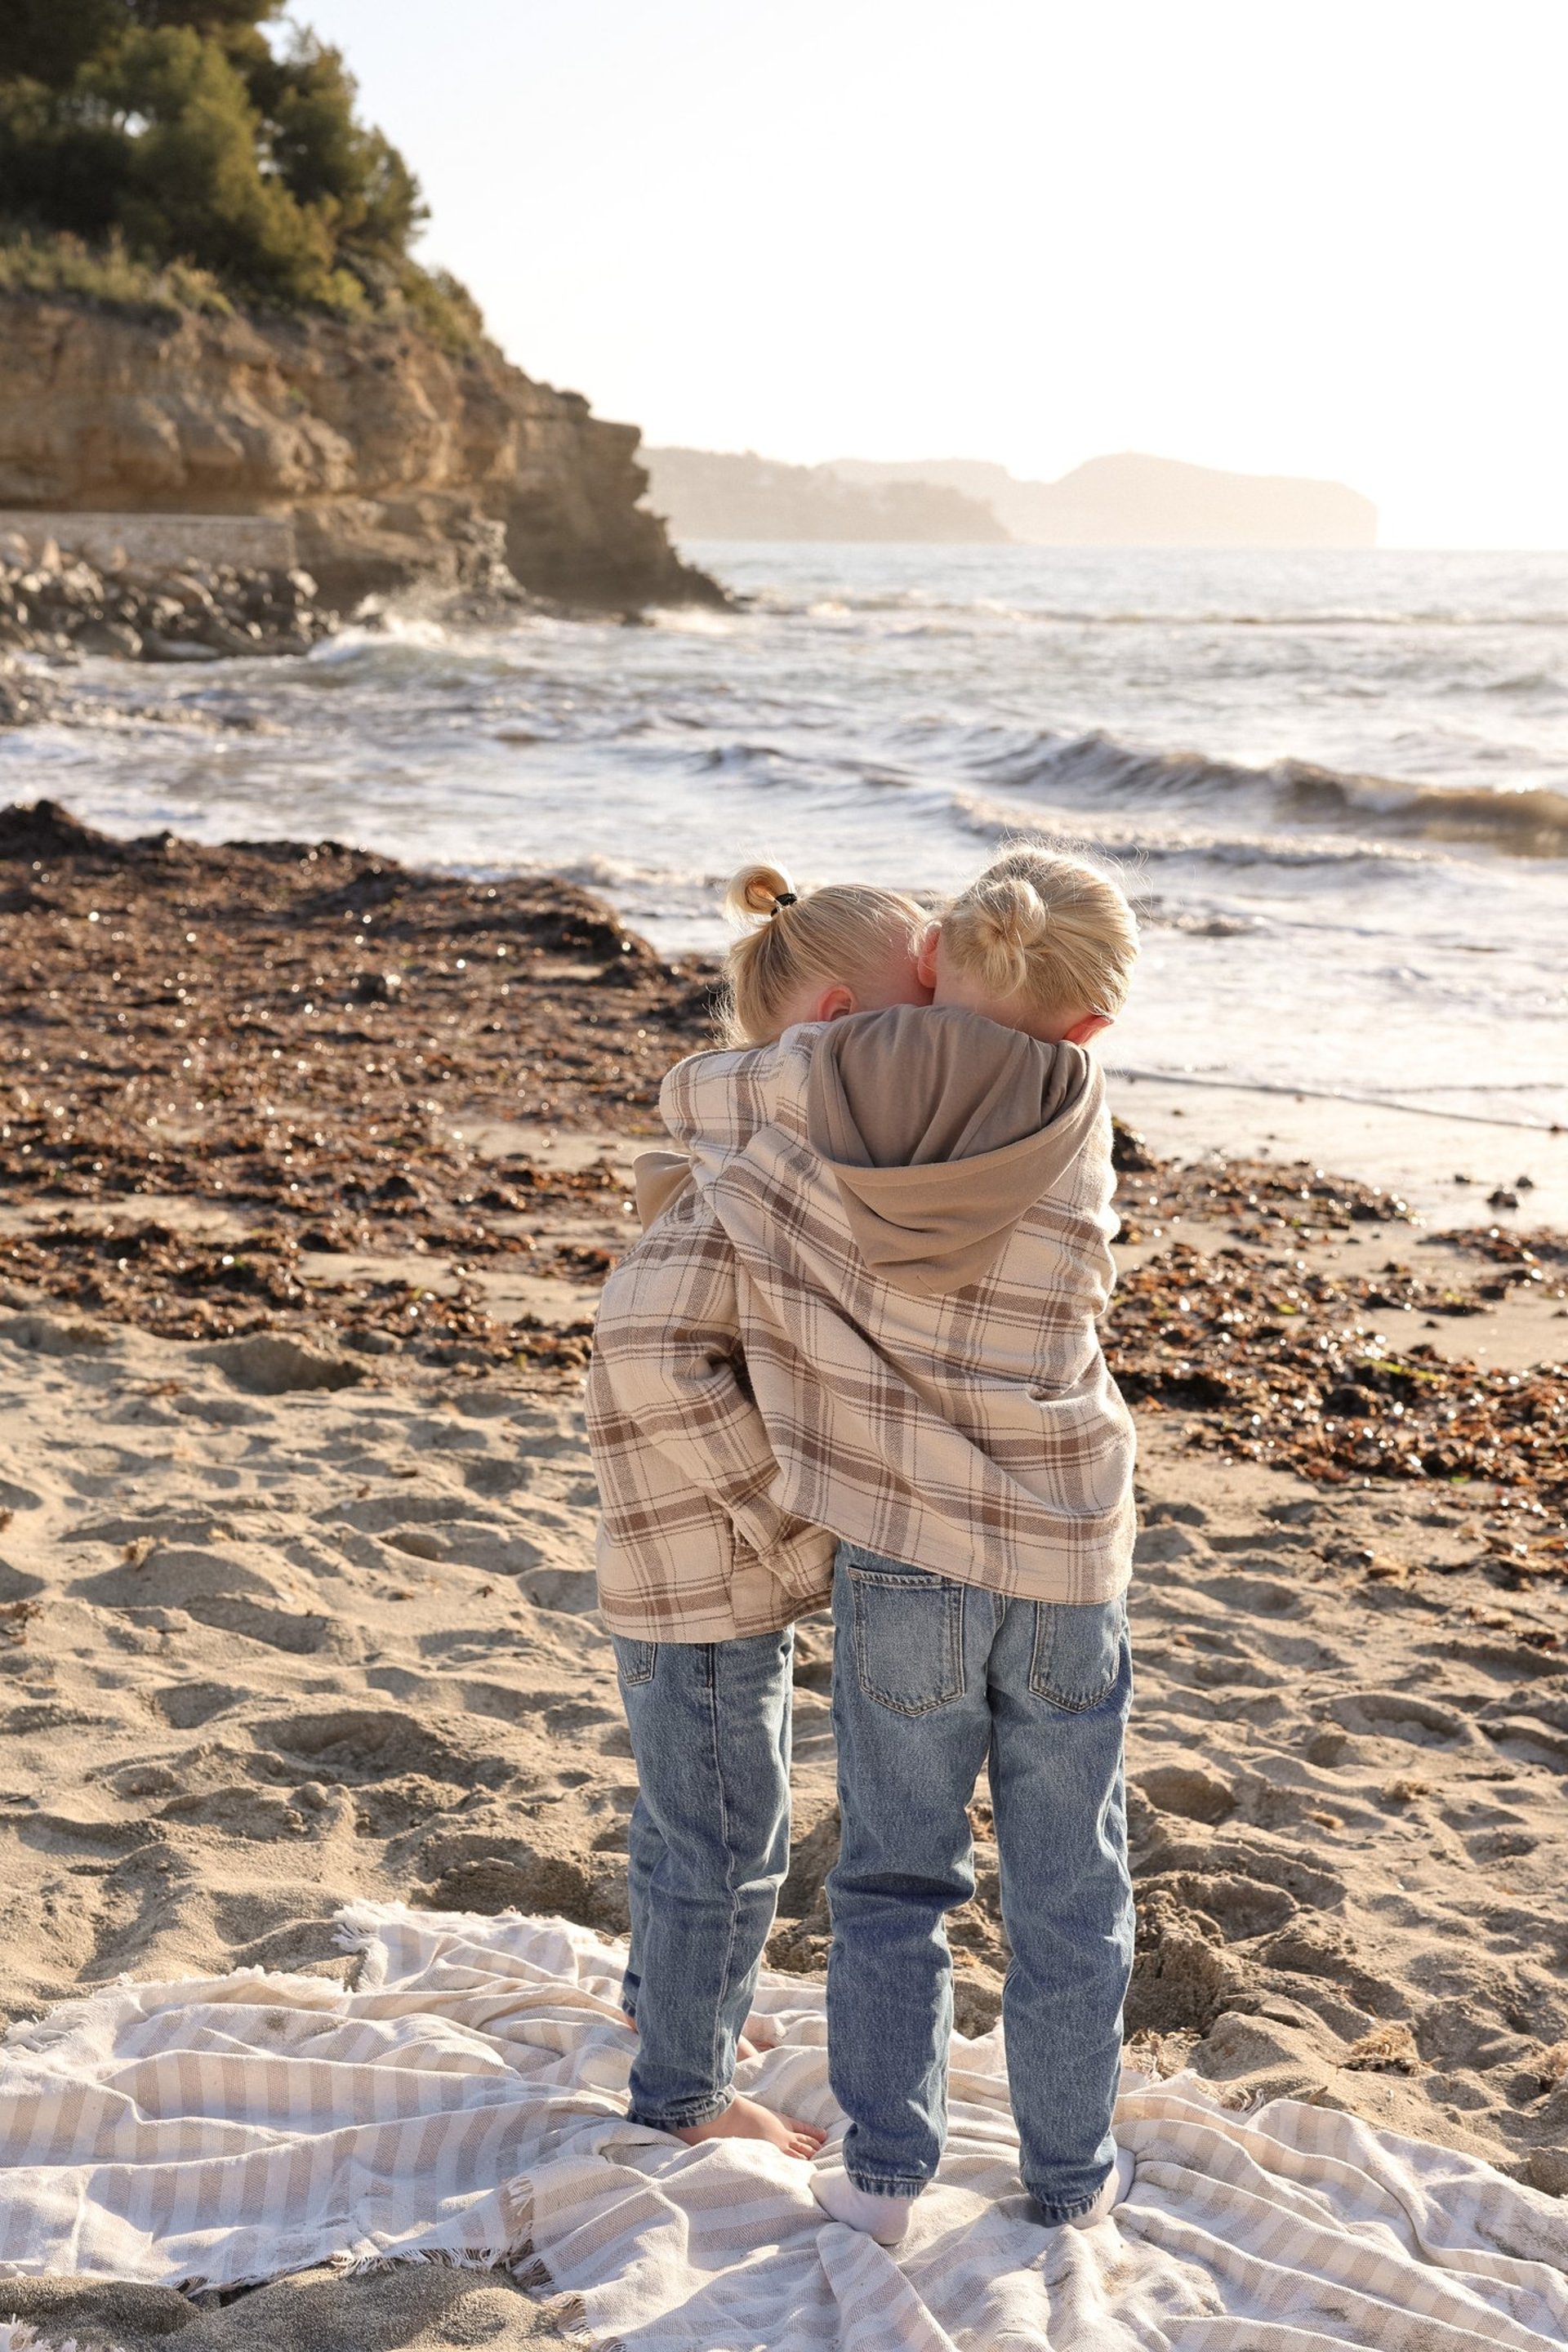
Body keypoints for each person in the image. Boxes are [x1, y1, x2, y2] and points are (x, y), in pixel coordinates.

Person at [660, 845, 1141, 2242]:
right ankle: (1067, 2185)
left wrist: (863, 1027)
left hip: (907, 1550)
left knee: (893, 1880)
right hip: (1065, 1550)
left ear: (938, 961)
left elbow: (694, 1091)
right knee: (1071, 1881)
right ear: (1093, 1020)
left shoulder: (829, 1088)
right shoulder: (1083, 1094)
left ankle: (884, 2183)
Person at [584, 866, 930, 2158]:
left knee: (693, 1815)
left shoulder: (738, 1141)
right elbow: (652, 1353)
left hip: (677, 1565)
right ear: (841, 1019)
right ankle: (682, 2090)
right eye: (922, 1015)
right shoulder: (763, 1168)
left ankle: (670, 2006)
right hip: (706, 1571)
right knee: (731, 1840)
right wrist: (793, 1532)